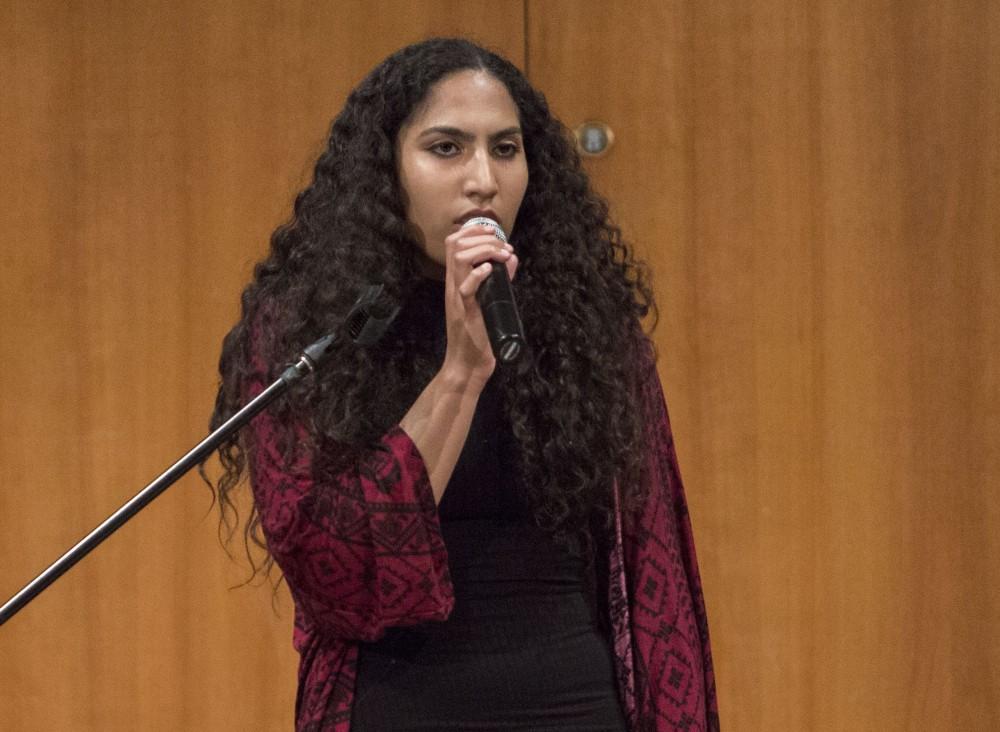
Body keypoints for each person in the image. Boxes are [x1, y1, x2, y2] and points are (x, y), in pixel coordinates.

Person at [206, 38, 718, 731]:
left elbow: (657, 569)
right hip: (399, 704)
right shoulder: (310, 332)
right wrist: (460, 374)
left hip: (572, 701)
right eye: (446, 148)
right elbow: (336, 576)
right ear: (387, 169)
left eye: (505, 150)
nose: (483, 180)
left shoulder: (586, 322)